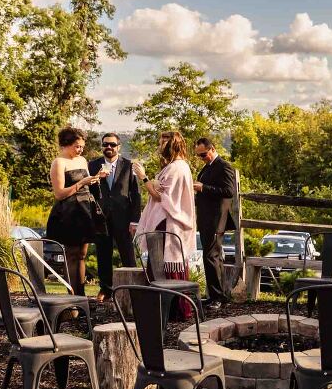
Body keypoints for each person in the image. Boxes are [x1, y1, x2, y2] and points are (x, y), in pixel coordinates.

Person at [133, 131, 196, 320]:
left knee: (164, 268)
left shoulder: (176, 168)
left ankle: (172, 311)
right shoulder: (175, 166)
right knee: (161, 267)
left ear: (172, 145)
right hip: (166, 223)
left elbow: (160, 196)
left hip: (167, 224)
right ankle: (166, 310)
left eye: (163, 143)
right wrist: (153, 182)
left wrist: (143, 177)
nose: (160, 147)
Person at [46, 127, 108, 296]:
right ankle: (72, 298)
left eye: (82, 146)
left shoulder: (82, 160)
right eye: (77, 146)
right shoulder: (59, 162)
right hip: (69, 212)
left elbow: (86, 184)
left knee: (82, 254)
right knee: (71, 254)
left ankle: (81, 297)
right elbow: (59, 194)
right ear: (65, 144)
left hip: (85, 210)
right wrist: (81, 183)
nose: (80, 150)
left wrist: (96, 178)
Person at [88, 132, 141, 302]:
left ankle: (134, 289)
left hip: (123, 218)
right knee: (103, 254)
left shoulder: (128, 165)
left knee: (128, 254)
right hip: (101, 217)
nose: (108, 147)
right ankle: (106, 289)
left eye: (112, 144)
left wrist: (135, 220)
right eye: (105, 144)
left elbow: (136, 194)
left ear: (119, 146)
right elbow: (89, 191)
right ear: (102, 146)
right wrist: (97, 178)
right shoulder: (93, 165)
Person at [193, 137, 236, 311]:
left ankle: (217, 297)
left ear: (212, 149)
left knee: (211, 257)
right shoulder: (207, 167)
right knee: (213, 257)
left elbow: (229, 191)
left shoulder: (223, 166)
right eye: (199, 156)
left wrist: (203, 188)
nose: (201, 158)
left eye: (203, 154)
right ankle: (217, 295)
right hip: (206, 219)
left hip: (216, 220)